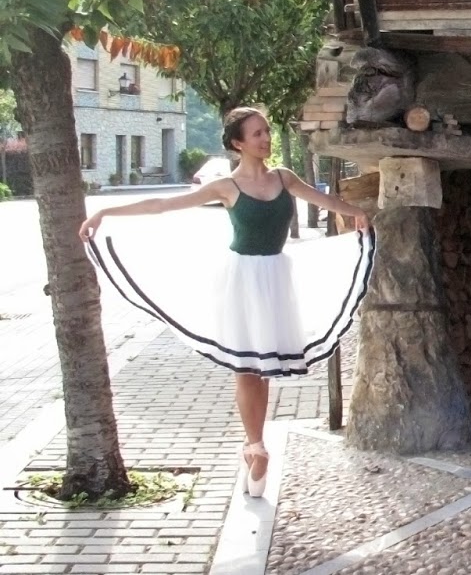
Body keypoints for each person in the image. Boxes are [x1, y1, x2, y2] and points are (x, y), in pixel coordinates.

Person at [79, 107, 374, 498]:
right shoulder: (225, 187)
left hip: (276, 277)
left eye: (267, 132)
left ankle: (256, 446)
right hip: (241, 280)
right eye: (257, 134)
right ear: (238, 143)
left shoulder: (284, 178)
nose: (266, 139)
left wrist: (357, 212)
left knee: (259, 367)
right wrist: (106, 211)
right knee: (248, 367)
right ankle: (256, 445)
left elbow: (322, 199)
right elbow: (163, 207)